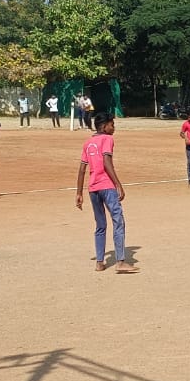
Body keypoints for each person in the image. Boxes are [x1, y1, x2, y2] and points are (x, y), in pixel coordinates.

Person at [76, 112, 137, 274]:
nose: (114, 127)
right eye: (112, 124)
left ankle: (99, 262)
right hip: (106, 186)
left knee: (100, 225)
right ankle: (120, 261)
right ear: (104, 126)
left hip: (92, 188)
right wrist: (118, 184)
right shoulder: (108, 139)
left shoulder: (88, 143)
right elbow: (106, 161)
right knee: (118, 220)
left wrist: (79, 193)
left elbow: (82, 169)